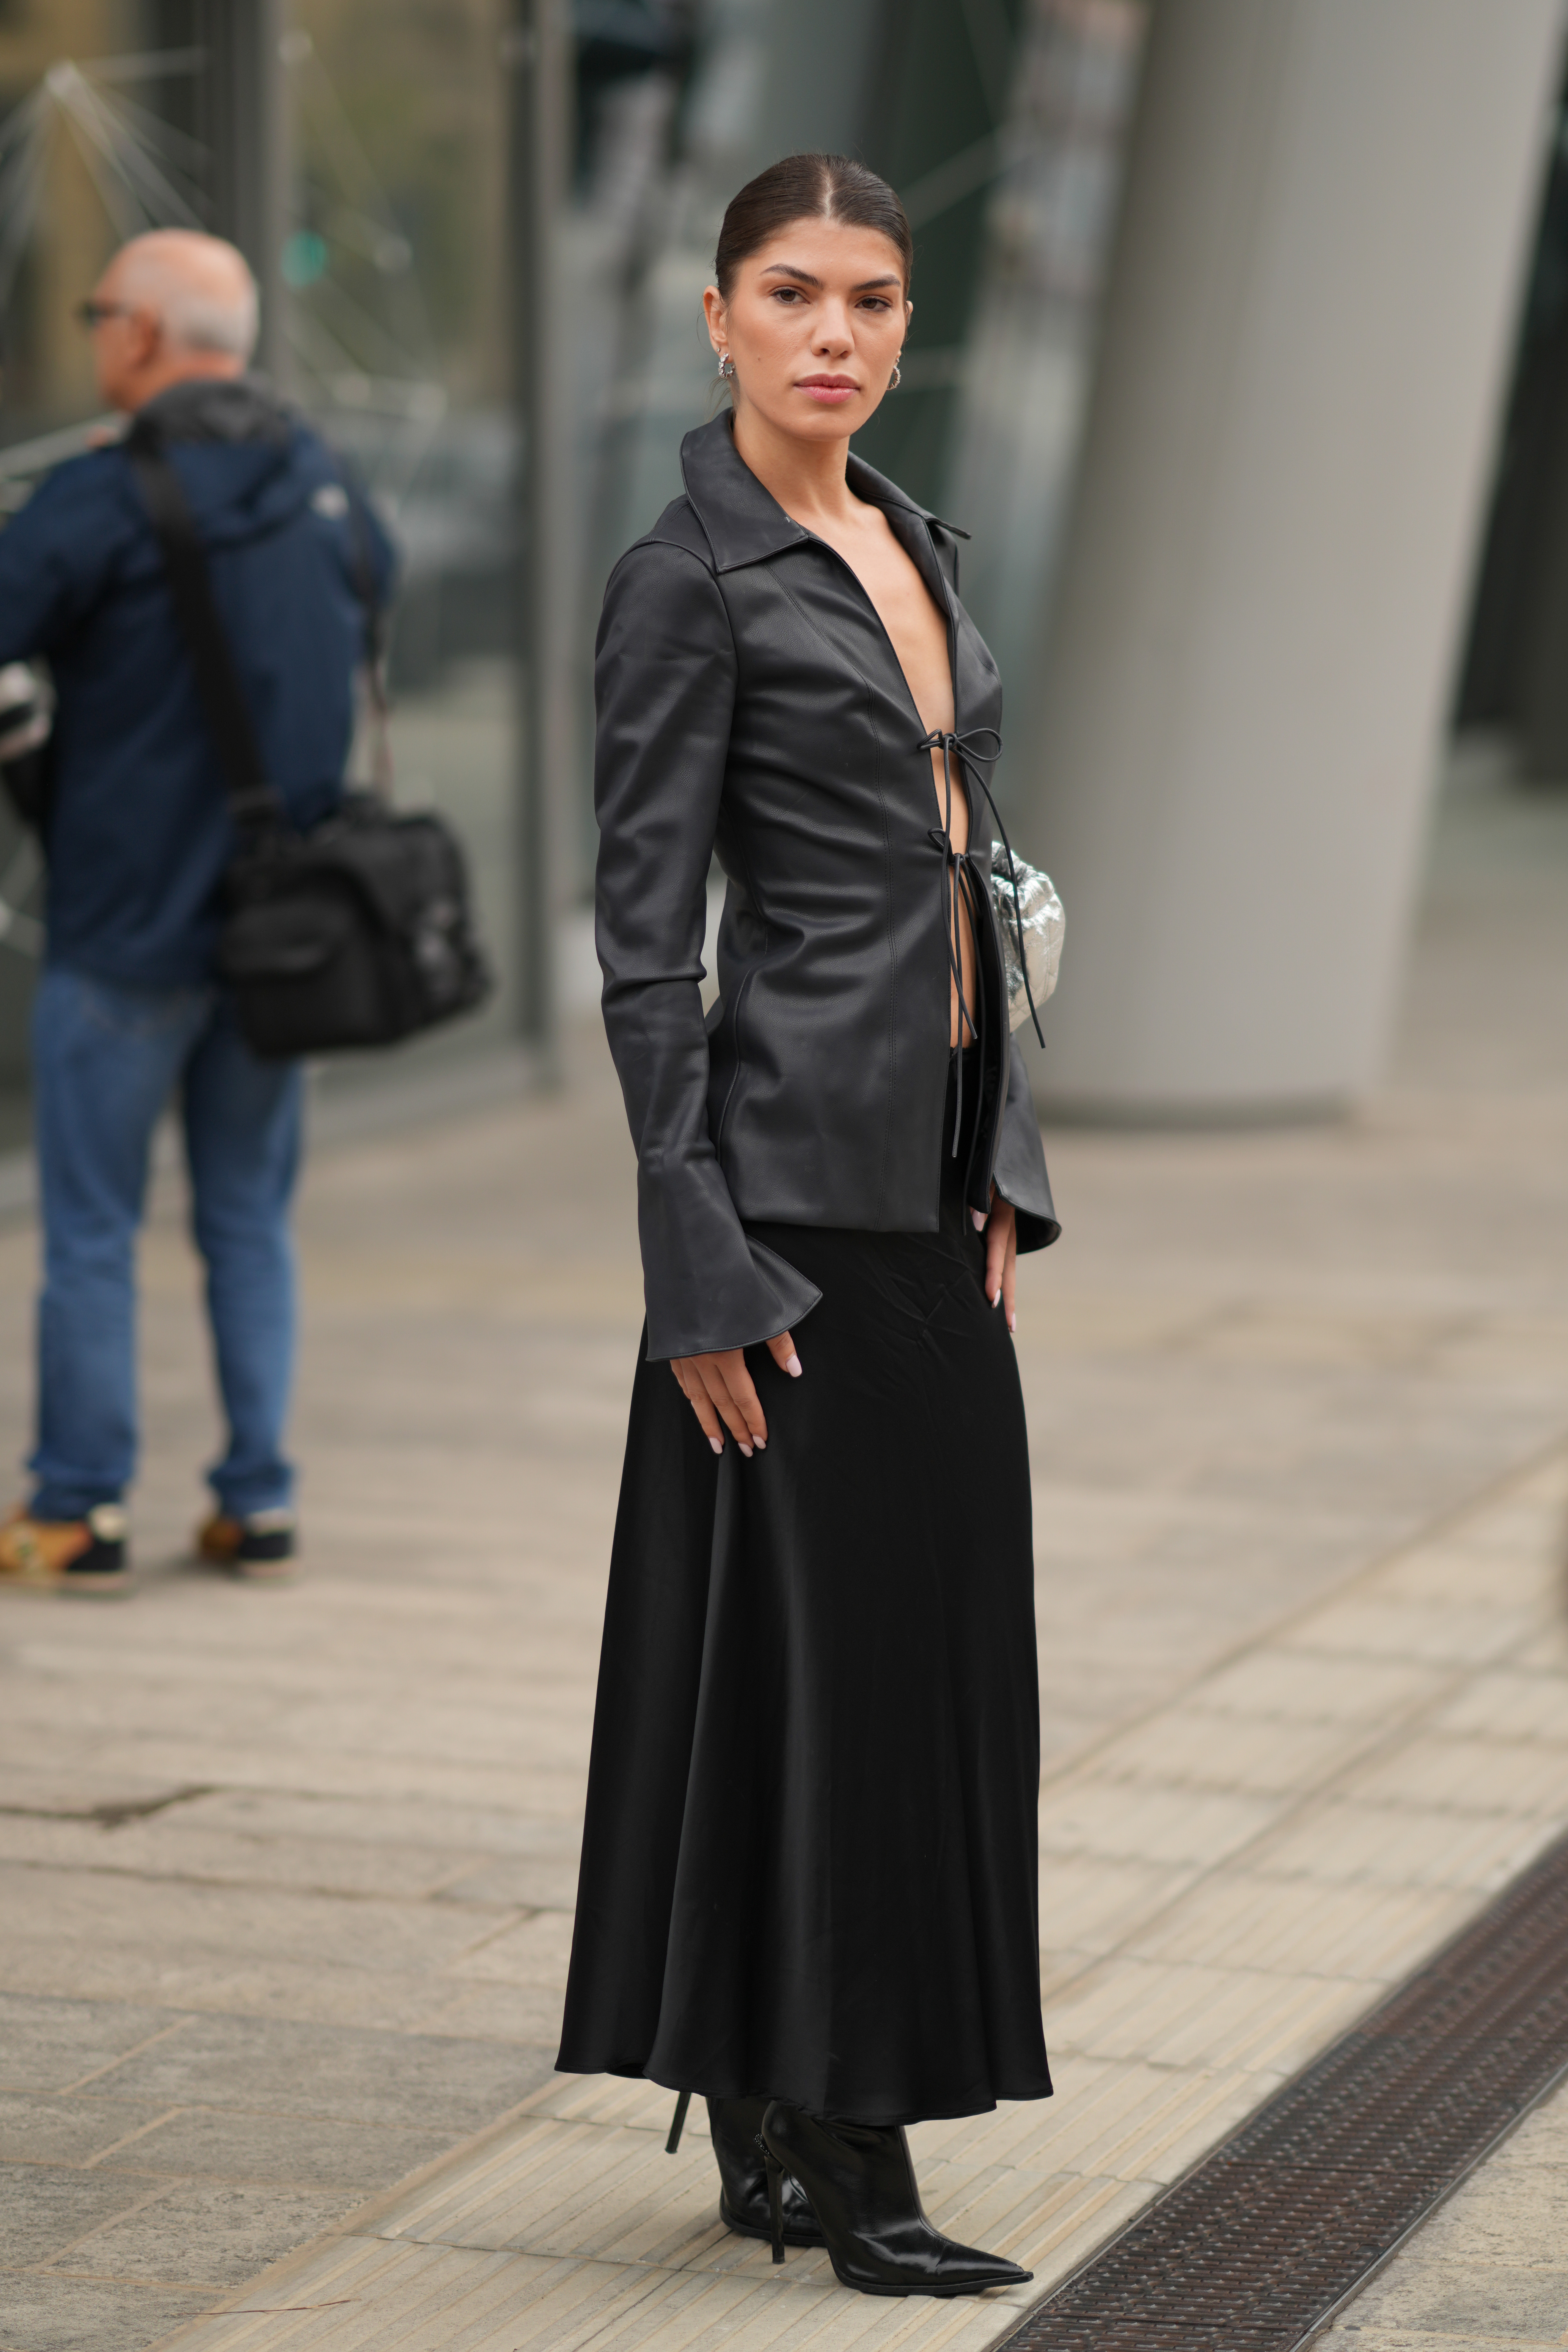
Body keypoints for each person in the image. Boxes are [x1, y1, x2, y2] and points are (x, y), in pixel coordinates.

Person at [557, 156, 1060, 2297]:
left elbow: (976, 871)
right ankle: (846, 2145)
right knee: (848, 1667)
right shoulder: (687, 571)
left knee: (903, 1648)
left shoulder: (913, 536)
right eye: (791, 292)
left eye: (868, 296)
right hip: (779, 1201)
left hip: (927, 1181)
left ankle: (774, 2110)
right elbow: (644, 936)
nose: (832, 331)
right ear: (717, 317)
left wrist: (1001, 1156)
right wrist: (691, 1248)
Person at [0, 230, 395, 1595]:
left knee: (94, 1228)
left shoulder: (98, 499)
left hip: (122, 931)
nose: (97, 328)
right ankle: (257, 1504)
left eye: (102, 308)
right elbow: (372, 614)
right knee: (245, 1214)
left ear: (145, 340)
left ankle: (77, 1511)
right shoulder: (328, 484)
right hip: (280, 940)